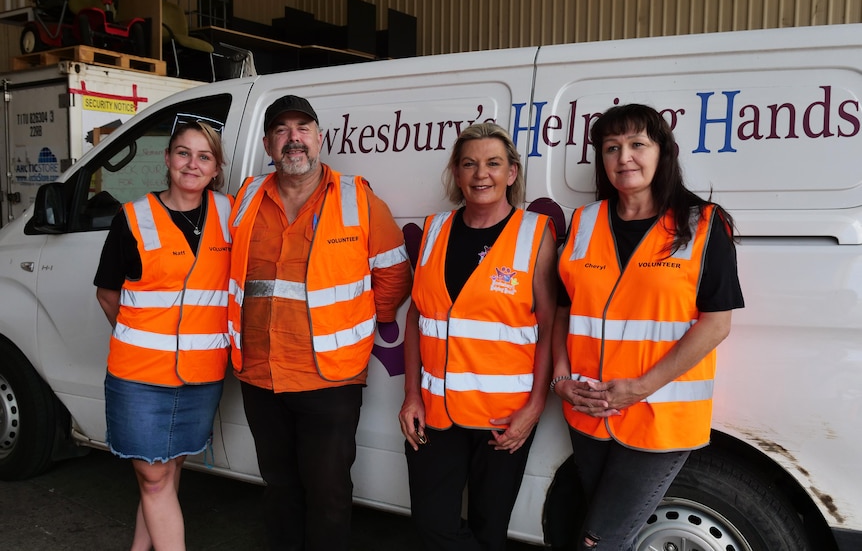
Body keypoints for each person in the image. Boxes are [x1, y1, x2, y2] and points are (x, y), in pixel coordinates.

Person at [551, 103, 745, 550]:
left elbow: (716, 324)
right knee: (597, 527)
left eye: (638, 144)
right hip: (588, 413)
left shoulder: (702, 224)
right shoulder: (584, 222)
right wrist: (561, 379)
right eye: (611, 148)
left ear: (663, 153)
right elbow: (564, 310)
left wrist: (639, 388)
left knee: (599, 541)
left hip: (659, 418)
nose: (624, 158)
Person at [227, 94, 412, 551]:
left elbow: (394, 273)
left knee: (328, 493)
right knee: (279, 487)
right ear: (269, 145)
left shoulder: (358, 199)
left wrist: (362, 322)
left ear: (319, 139)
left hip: (330, 378)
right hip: (261, 373)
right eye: (283, 131)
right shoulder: (246, 198)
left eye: (303, 129)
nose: (294, 140)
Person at [398, 122, 557, 551]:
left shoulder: (535, 234)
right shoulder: (434, 230)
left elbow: (547, 328)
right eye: (468, 163)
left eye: (492, 163)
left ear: (512, 173)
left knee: (490, 528)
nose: (480, 174)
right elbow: (417, 318)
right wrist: (411, 394)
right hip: (435, 413)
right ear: (455, 171)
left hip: (504, 419)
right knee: (434, 525)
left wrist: (535, 407)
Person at [94, 120, 232, 551]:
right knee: (154, 477)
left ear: (216, 168)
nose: (192, 164)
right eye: (183, 153)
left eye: (204, 156)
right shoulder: (133, 217)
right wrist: (140, 336)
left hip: (201, 376)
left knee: (165, 472)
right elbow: (107, 294)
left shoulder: (231, 215)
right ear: (168, 159)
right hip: (138, 375)